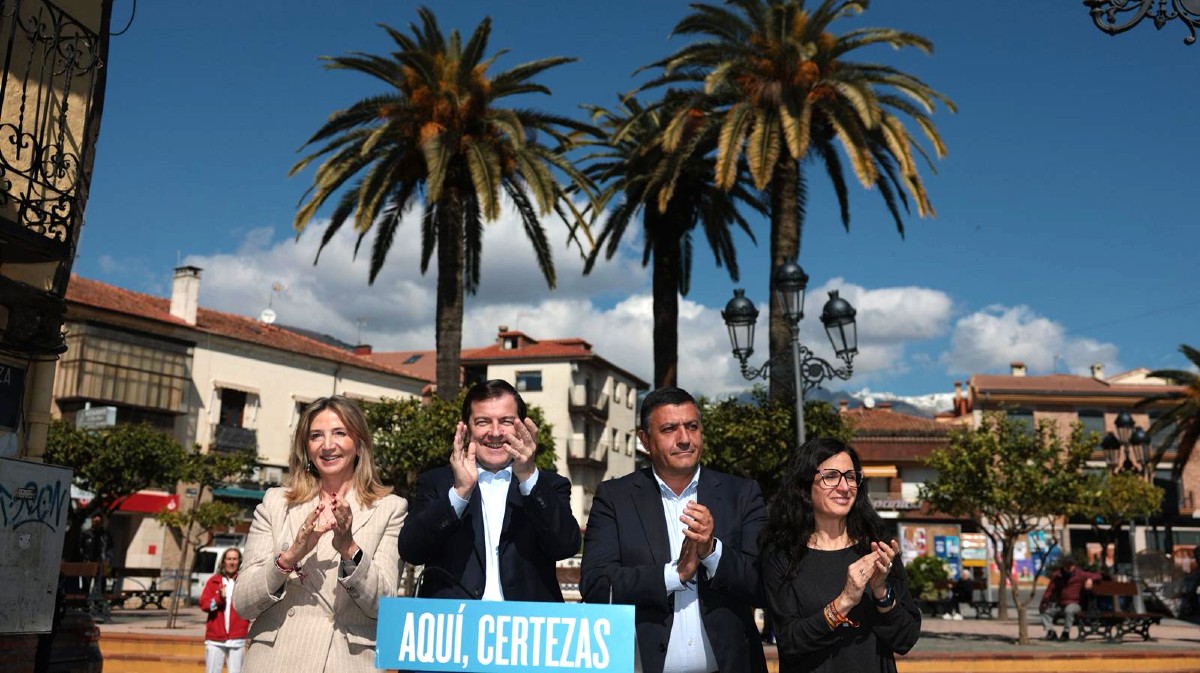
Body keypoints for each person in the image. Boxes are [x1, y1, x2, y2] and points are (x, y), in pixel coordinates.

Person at [580, 386, 768, 673]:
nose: (684, 439)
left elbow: (765, 584)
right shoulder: (614, 498)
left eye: (692, 426)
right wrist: (674, 574)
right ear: (645, 440)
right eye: (669, 429)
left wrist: (712, 553)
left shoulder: (741, 494)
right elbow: (595, 586)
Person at [232, 395, 407, 673]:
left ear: (359, 444)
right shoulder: (276, 503)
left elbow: (384, 606)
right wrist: (288, 558)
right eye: (316, 436)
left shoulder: (390, 509)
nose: (328, 445)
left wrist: (349, 549)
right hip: (275, 661)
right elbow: (242, 603)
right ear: (306, 447)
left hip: (346, 664)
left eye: (340, 433)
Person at [398, 379, 580, 601]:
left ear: (522, 427)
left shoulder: (549, 485)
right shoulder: (436, 483)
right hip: (455, 624)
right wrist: (459, 493)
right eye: (483, 422)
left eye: (506, 421)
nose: (495, 433)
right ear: (466, 429)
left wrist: (528, 477)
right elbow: (411, 550)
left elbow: (565, 546)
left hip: (528, 627)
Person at [760, 437, 920, 673]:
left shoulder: (877, 549)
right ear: (804, 486)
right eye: (831, 476)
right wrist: (844, 601)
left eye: (851, 477)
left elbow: (905, 639)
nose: (844, 487)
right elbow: (790, 642)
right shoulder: (781, 554)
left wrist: (881, 593)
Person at [201, 547, 250, 673]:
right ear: (223, 562)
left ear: (239, 561)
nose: (231, 562)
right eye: (229, 559)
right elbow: (204, 605)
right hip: (215, 639)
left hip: (237, 638)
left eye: (234, 559)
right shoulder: (214, 581)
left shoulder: (244, 581)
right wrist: (218, 599)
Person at [1039, 557, 1101, 641]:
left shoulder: (1080, 574)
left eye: (1071, 565)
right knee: (1045, 612)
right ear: (1063, 565)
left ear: (1074, 566)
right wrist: (1044, 602)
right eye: (1067, 565)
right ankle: (1050, 631)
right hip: (1060, 604)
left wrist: (1090, 579)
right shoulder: (1057, 575)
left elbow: (1098, 576)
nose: (1069, 567)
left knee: (1069, 610)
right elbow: (1049, 590)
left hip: (1075, 604)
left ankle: (1066, 632)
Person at [78, 513, 114, 595]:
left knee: (100, 586)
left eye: (98, 521)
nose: (96, 523)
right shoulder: (86, 534)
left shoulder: (105, 535)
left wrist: (107, 560)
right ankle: (84, 604)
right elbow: (80, 547)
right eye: (95, 521)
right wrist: (84, 559)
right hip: (88, 562)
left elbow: (110, 548)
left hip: (101, 562)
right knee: (86, 586)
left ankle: (98, 604)